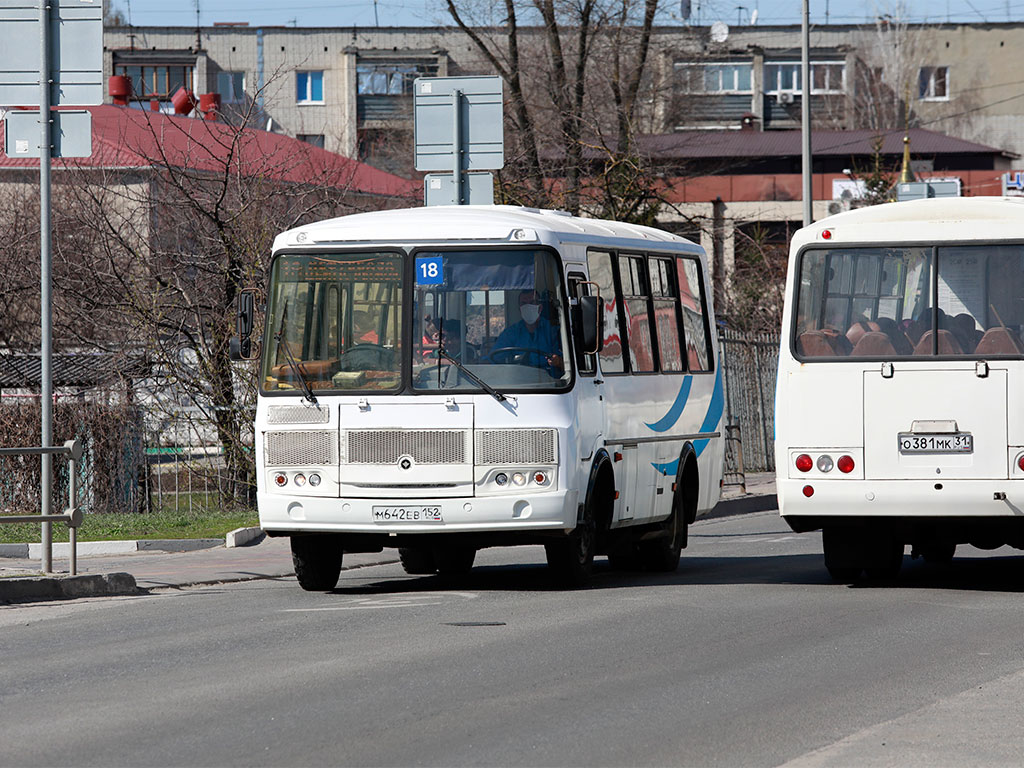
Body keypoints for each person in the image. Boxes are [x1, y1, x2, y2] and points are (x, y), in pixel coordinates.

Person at [493, 290, 564, 375]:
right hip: (519, 383)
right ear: (520, 309)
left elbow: (569, 364)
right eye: (524, 303)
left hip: (551, 384)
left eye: (532, 302)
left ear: (540, 308)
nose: (527, 306)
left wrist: (558, 361)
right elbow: (493, 358)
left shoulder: (553, 331)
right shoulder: (511, 333)